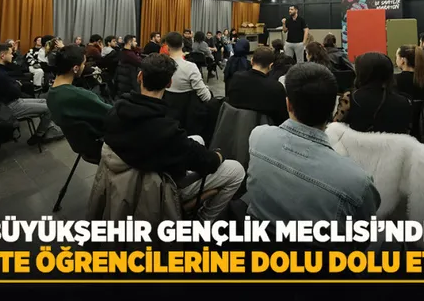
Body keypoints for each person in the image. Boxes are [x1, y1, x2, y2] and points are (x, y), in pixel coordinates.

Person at [246, 63, 381, 247]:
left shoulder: (258, 137)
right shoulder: (358, 183)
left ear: (288, 104)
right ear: (333, 108)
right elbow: (364, 237)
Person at [102, 54, 245, 221]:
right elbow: (207, 162)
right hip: (159, 190)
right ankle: (203, 220)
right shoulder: (165, 130)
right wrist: (218, 155)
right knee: (236, 170)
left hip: (126, 179)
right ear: (169, 83)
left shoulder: (115, 111)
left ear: (139, 76)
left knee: (197, 139)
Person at [0, 44, 62, 145]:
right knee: (49, 108)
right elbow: (16, 92)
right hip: (7, 107)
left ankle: (49, 128)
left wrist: (16, 84)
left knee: (44, 101)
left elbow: (14, 85)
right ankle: (39, 136)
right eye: (10, 54)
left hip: (5, 102)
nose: (12, 56)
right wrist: (17, 84)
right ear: (2, 56)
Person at [46, 44, 112, 136]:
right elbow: (113, 114)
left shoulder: (51, 94)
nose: (84, 66)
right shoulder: (80, 95)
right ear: (76, 68)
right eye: (83, 64)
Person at [341, 52, 412, 134]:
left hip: (356, 141)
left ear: (361, 73)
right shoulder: (404, 101)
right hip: (392, 142)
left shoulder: (349, 98)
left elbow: (336, 128)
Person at [226, 46, 289, 124]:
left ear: (252, 61)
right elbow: (282, 117)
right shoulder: (276, 87)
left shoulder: (236, 78)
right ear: (271, 66)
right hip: (264, 129)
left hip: (235, 125)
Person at [164, 31, 211, 102]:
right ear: (182, 45)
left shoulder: (160, 65)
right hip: (188, 106)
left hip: (166, 105)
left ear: (167, 46)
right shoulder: (191, 67)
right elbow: (206, 97)